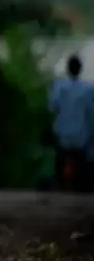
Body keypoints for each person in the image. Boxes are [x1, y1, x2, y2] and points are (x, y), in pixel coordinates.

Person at [49, 55, 94, 192]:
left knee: (60, 160)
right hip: (81, 138)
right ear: (80, 69)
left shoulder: (59, 87)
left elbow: (52, 107)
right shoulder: (87, 89)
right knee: (84, 167)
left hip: (62, 135)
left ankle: (60, 183)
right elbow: (91, 114)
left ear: (67, 69)